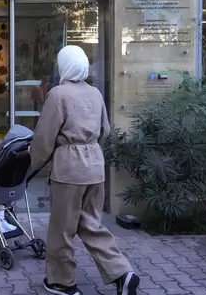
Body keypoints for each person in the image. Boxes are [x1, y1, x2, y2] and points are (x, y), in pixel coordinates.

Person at [28, 45, 140, 295]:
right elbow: (106, 131)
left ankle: (61, 282)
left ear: (63, 65)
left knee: (62, 229)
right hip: (95, 166)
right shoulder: (95, 93)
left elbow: (44, 138)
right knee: (90, 223)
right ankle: (122, 271)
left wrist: (34, 162)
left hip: (69, 169)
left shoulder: (58, 95)